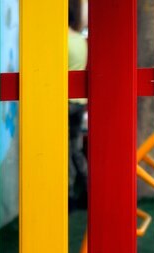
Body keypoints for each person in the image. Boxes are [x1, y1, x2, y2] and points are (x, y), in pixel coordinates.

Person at [68, 0, 88, 210]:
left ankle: (68, 196)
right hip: (79, 103)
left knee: (61, 151)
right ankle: (87, 191)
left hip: (63, 103)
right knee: (75, 150)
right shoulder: (79, 40)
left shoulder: (59, 40)